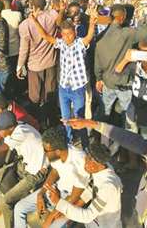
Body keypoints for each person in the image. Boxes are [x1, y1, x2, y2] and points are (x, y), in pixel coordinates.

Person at [94, 0, 147, 120]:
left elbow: (97, 65)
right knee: (128, 118)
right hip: (124, 84)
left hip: (107, 83)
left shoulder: (100, 37)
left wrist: (99, 79)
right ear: (123, 18)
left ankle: (100, 136)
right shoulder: (128, 34)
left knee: (104, 113)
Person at [29, 8, 97, 146]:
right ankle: (68, 142)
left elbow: (89, 36)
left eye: (70, 34)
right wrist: (35, 21)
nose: (67, 37)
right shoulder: (61, 43)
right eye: (64, 34)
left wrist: (92, 22)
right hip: (64, 87)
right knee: (65, 118)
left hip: (77, 88)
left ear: (75, 33)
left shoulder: (80, 44)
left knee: (79, 118)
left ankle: (84, 144)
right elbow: (45, 36)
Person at [13, 125, 90, 228]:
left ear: (57, 151)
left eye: (46, 151)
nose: (44, 153)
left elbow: (74, 197)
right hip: (55, 190)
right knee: (19, 208)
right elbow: (54, 171)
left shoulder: (79, 160)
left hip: (69, 200)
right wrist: (41, 193)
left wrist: (51, 217)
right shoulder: (57, 155)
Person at [46, 142, 123, 228]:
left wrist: (59, 202)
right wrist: (66, 212)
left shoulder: (108, 186)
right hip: (95, 222)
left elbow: (87, 216)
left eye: (89, 160)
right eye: (87, 157)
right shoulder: (103, 169)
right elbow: (88, 193)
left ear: (99, 164)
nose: (85, 163)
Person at [17, 0, 59, 126]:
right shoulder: (52, 17)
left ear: (31, 5)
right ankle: (51, 121)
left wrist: (19, 66)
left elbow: (24, 49)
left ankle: (37, 122)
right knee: (50, 94)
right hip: (51, 62)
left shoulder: (25, 25)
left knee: (35, 97)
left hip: (34, 66)